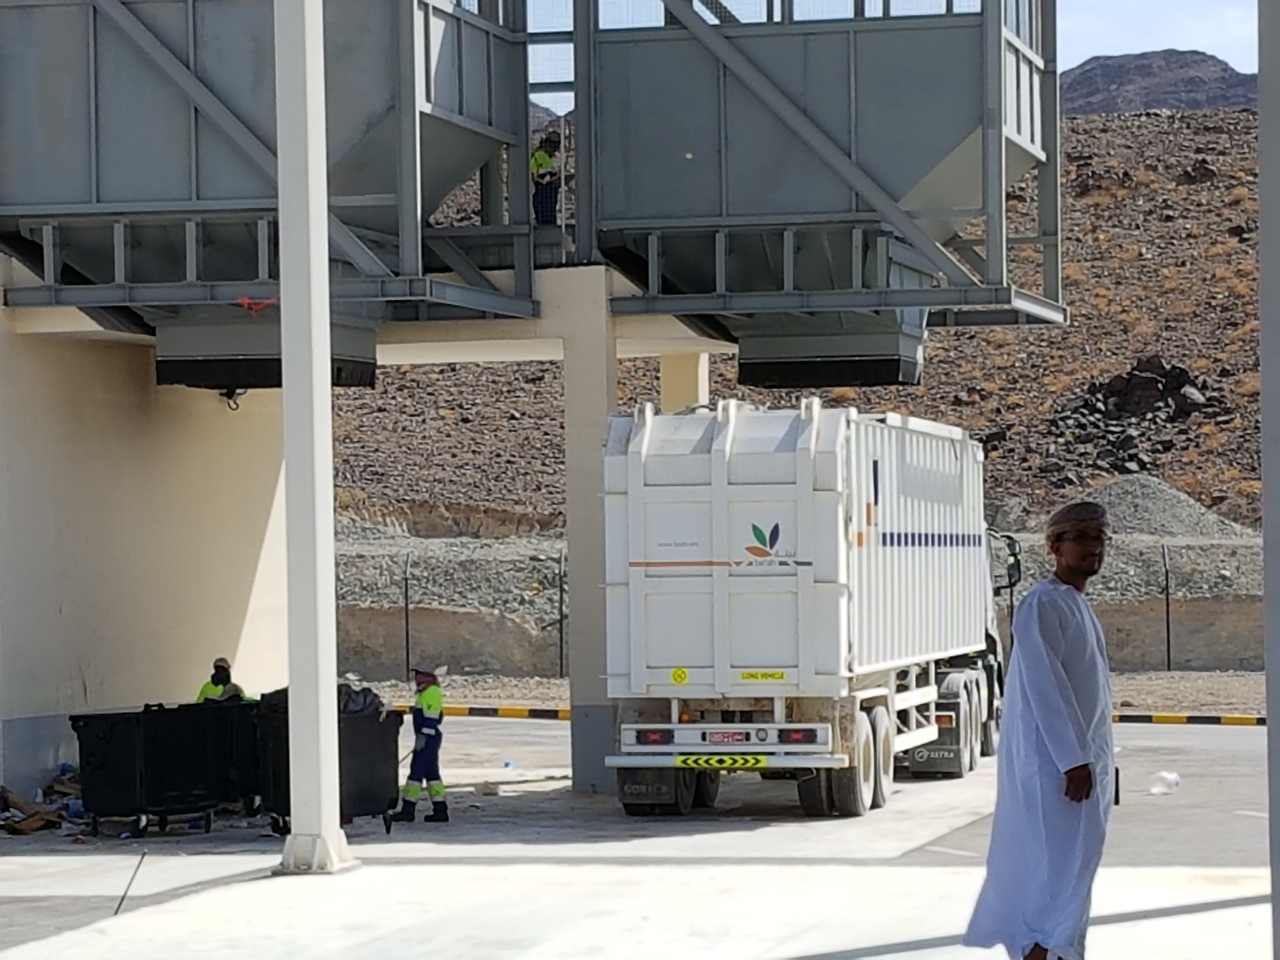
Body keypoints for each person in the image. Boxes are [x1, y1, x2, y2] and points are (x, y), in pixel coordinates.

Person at [964, 502, 1114, 960]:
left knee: (1073, 875)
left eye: (1098, 539)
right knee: (1052, 878)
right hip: (1057, 775)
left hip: (1081, 770)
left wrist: (1095, 762)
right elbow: (1047, 687)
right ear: (1054, 547)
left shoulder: (1074, 604)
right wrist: (1073, 761)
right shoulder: (1042, 605)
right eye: (1081, 538)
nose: (1092, 548)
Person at [391, 666, 448, 824]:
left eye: (419, 675)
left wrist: (423, 736)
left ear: (429, 677)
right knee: (432, 776)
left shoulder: (432, 692)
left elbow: (432, 716)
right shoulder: (425, 692)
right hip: (428, 737)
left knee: (416, 774)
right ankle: (440, 810)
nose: (416, 679)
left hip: (428, 738)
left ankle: (408, 810)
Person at [530, 130, 562, 226]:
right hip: (542, 192)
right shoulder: (538, 156)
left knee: (550, 215)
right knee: (544, 216)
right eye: (553, 147)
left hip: (551, 193)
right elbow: (534, 176)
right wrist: (546, 180)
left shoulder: (554, 157)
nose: (554, 150)